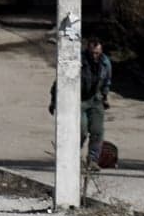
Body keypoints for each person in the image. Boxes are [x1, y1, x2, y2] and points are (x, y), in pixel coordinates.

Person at [48, 33, 113, 168]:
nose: (95, 56)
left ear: (101, 51)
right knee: (81, 130)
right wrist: (54, 100)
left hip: (96, 99)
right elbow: (61, 80)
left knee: (97, 131)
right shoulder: (77, 61)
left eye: (97, 53)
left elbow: (107, 81)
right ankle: (72, 156)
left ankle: (93, 160)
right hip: (79, 100)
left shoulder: (105, 63)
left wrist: (104, 96)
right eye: (92, 53)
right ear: (87, 50)